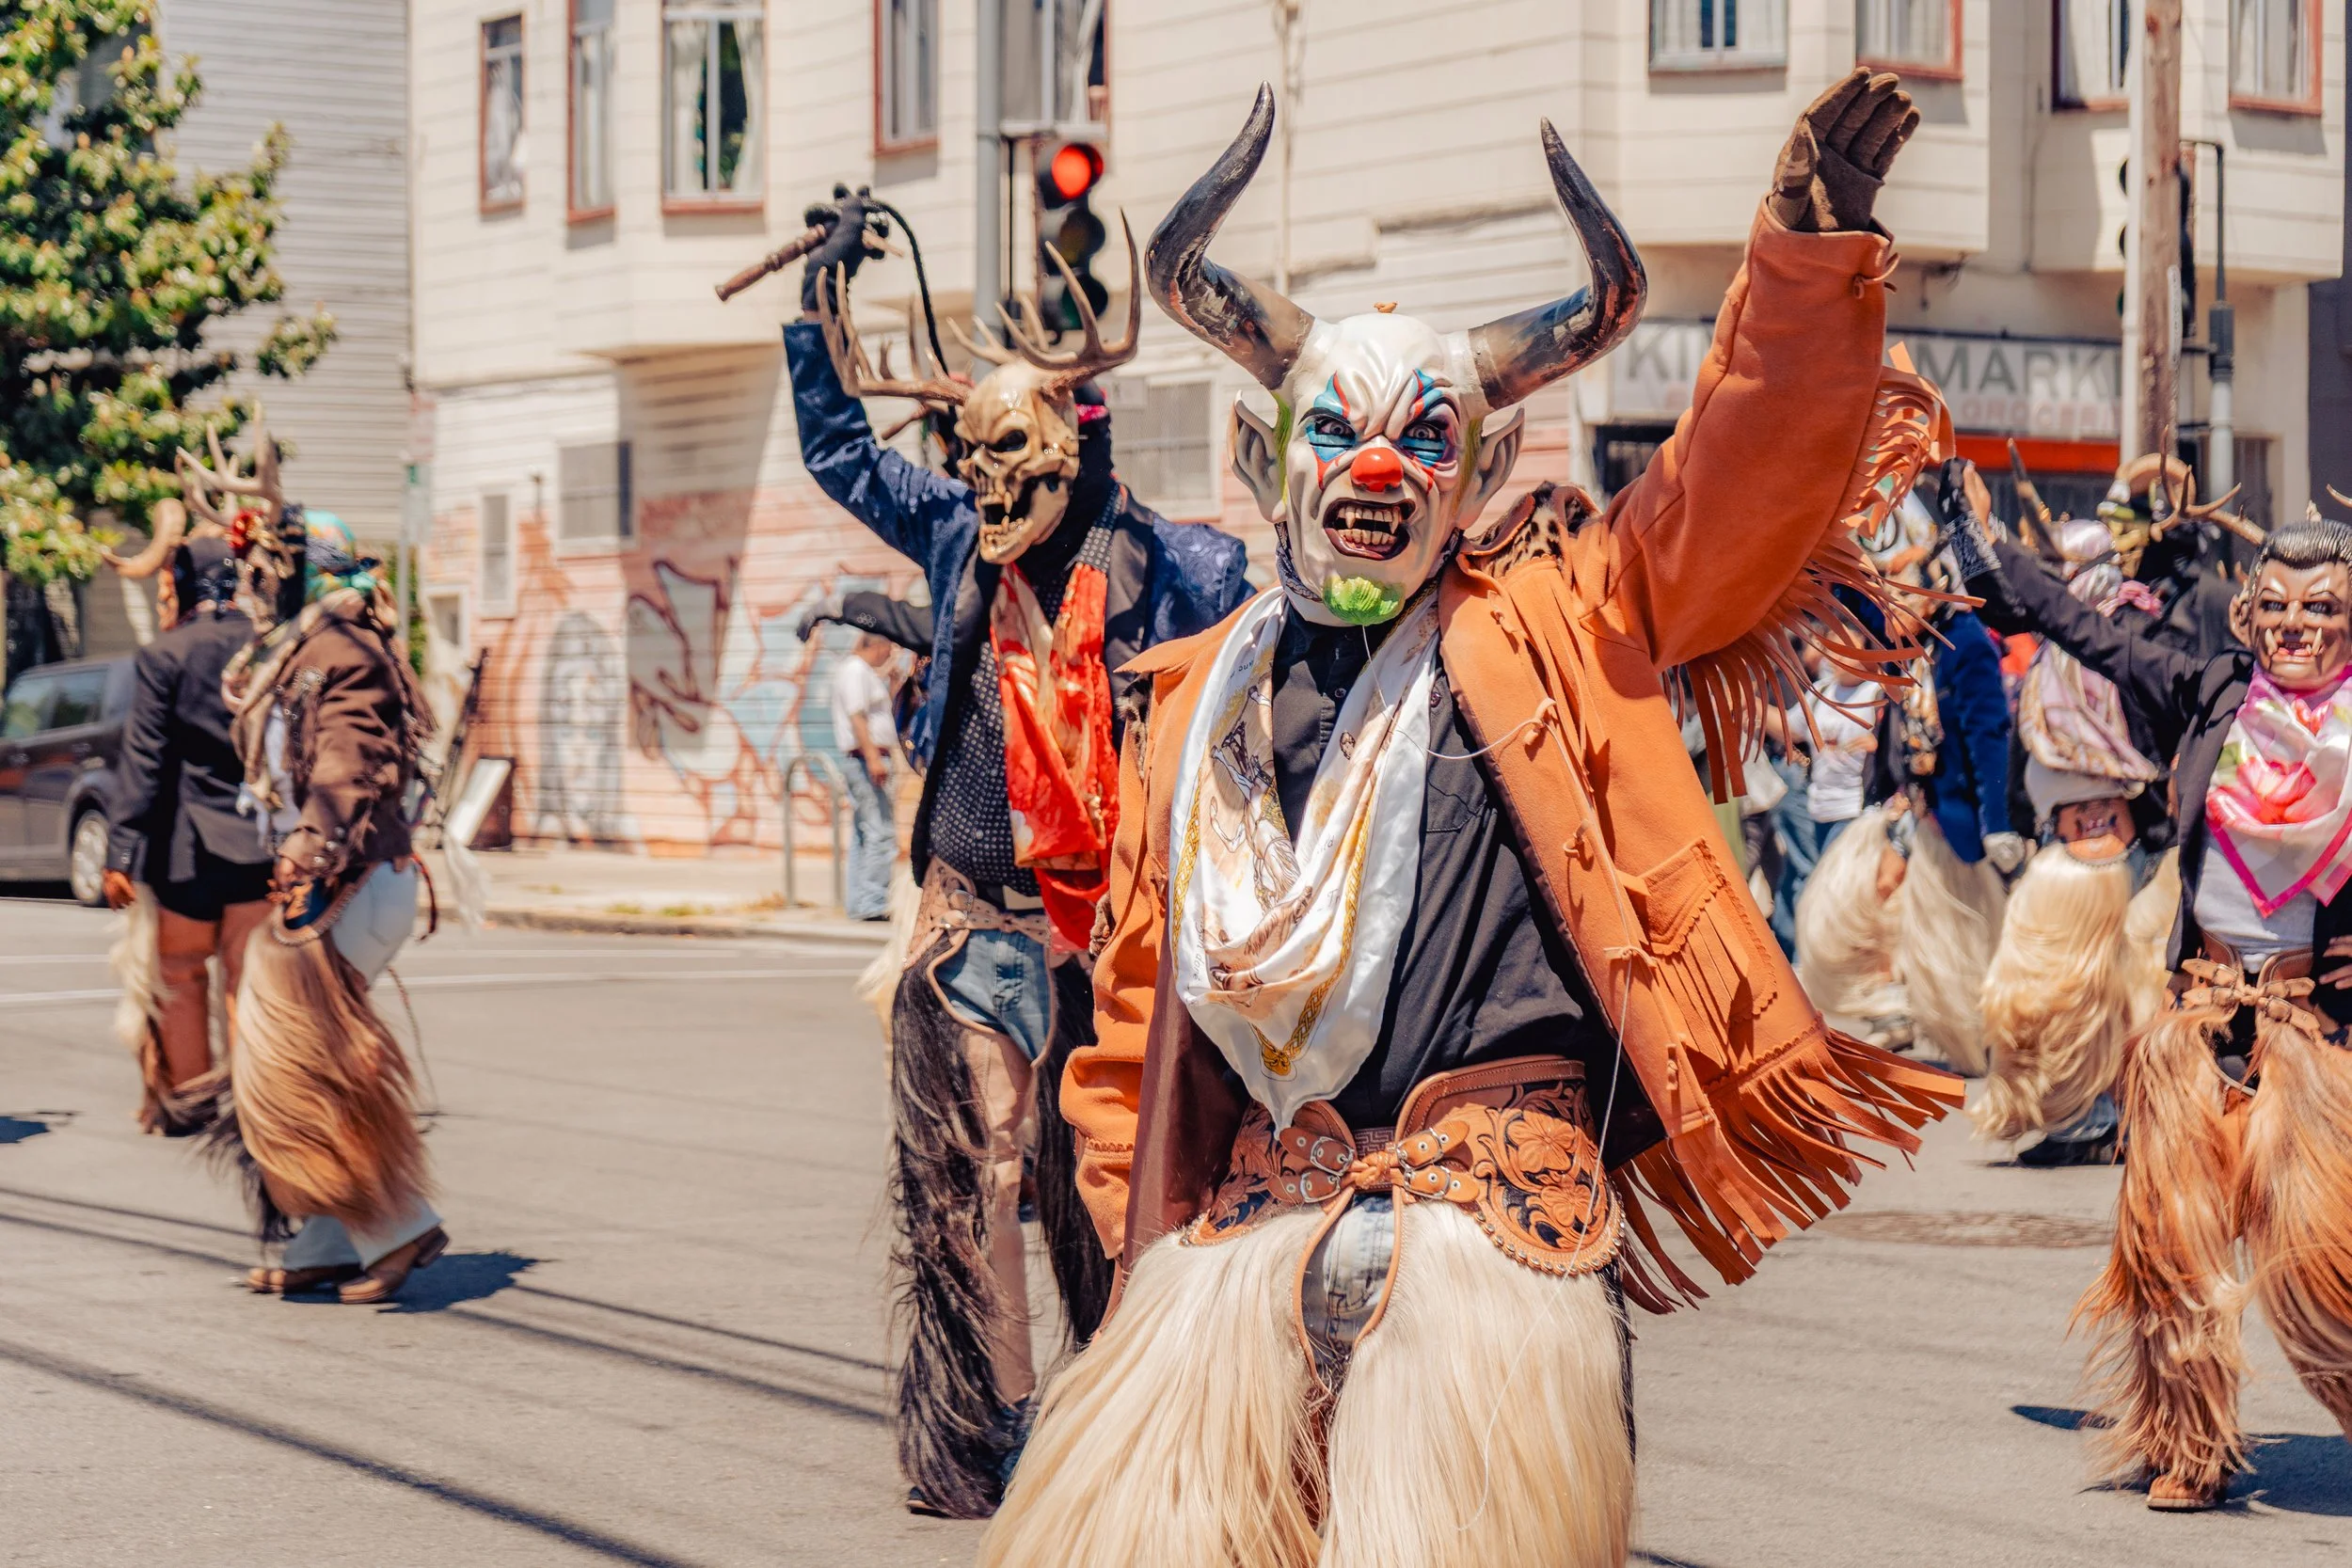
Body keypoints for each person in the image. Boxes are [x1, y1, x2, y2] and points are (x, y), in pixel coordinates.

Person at [980, 72, 1960, 1568]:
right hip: (1246, 1240)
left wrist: (1804, 264)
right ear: (1264, 463)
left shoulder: (1558, 626)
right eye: (1337, 436)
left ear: (1483, 472)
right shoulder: (1198, 702)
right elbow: (1134, 1019)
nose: (1377, 475)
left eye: (1426, 439)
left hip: (1487, 1234)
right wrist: (1137, 1255)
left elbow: (1731, 495)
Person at [784, 191, 1251, 1514]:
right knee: (974, 1173)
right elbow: (838, 452)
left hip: (1111, 935)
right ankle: (1003, 1415)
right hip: (970, 918)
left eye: (1012, 454)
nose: (986, 485)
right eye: (968, 458)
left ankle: (1131, 1402)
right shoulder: (955, 540)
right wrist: (817, 307)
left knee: (1125, 1176)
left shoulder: (1178, 566)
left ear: (1075, 447)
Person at [1952, 496, 2352, 1512]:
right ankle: (2189, 1442)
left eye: (2322, 606)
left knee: (2324, 1270)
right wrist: (1978, 546)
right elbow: (2089, 631)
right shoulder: (2214, 692)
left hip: (2315, 1038)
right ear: (2250, 619)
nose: (2296, 624)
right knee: (2168, 1255)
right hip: (2197, 1027)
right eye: (2277, 606)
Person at [183, 428, 448, 1307]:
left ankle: (398, 1223)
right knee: (301, 1056)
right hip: (341, 878)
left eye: (265, 572)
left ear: (305, 571)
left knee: (302, 1058)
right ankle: (327, 1236)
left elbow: (351, 761)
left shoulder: (345, 653)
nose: (252, 588)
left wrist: (311, 843)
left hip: (357, 880)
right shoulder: (312, 647)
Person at [1971, 505, 2181, 1165]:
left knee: (2118, 988)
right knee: (2065, 989)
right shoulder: (2058, 645)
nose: (2052, 583)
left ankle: (2107, 1117)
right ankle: (2083, 1113)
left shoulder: (2130, 632)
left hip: (2126, 846)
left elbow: (2158, 728)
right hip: (2066, 847)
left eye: (2063, 568)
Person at [96, 488, 276, 1135]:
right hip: (257, 843)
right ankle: (256, 1108)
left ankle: (194, 1104)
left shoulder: (165, 655)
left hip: (187, 851)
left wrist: (119, 855)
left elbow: (141, 764)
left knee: (179, 972)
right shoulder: (267, 644)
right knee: (246, 979)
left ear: (182, 577)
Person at [830, 632, 900, 920]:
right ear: (877, 644)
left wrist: (894, 685)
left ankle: (860, 903)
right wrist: (873, 757)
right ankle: (873, 902)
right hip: (865, 759)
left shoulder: (860, 672)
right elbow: (857, 715)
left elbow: (874, 713)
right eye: (889, 649)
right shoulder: (856, 670)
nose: (889, 656)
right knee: (881, 833)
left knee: (864, 833)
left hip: (865, 758)